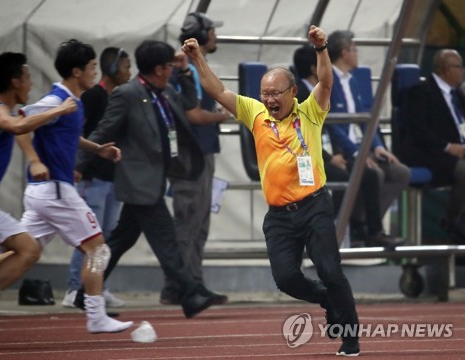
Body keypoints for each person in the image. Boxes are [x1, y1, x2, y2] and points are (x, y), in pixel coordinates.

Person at [183, 25, 360, 356]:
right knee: (286, 279)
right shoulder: (256, 113)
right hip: (279, 215)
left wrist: (321, 49)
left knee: (330, 270)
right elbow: (218, 91)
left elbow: (326, 82)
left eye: (276, 93)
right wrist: (197, 60)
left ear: (293, 92)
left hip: (314, 206)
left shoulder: (310, 112)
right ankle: (325, 299)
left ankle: (350, 337)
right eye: (265, 93)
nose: (269, 99)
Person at [73, 39, 216, 319]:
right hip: (138, 182)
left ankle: (83, 293)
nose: (173, 69)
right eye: (170, 66)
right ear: (159, 69)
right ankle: (189, 293)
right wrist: (79, 165)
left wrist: (187, 73)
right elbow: (102, 132)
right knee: (167, 240)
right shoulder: (128, 94)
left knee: (116, 244)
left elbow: (190, 103)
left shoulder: (165, 92)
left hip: (156, 178)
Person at [15, 39, 133, 334]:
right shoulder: (58, 101)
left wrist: (97, 149)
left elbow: (68, 136)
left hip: (48, 191)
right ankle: (95, 314)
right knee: (98, 249)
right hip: (55, 188)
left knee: (22, 252)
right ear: (77, 71)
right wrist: (34, 160)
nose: (96, 72)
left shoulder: (74, 101)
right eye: (92, 67)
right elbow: (20, 123)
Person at [0, 52, 77, 331]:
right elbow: (16, 126)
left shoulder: (10, 112)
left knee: (28, 249)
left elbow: (23, 128)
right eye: (27, 78)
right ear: (15, 82)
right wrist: (60, 110)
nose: (30, 84)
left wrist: (37, 159)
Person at [294, 45, 395, 248]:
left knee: (368, 174)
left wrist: (338, 154)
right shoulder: (299, 94)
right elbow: (299, 137)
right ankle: (334, 231)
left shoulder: (320, 92)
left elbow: (332, 129)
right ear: (315, 69)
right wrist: (330, 159)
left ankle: (371, 231)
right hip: (303, 159)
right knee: (344, 178)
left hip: (326, 154)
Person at [160, 12, 230, 306]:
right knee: (187, 221)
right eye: (212, 31)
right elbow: (189, 114)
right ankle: (177, 286)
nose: (216, 36)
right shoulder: (181, 67)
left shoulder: (197, 64)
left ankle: (194, 282)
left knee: (199, 222)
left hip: (202, 152)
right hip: (189, 156)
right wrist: (222, 116)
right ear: (201, 35)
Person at [325, 30, 410, 247]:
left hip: (362, 146)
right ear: (345, 52)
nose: (357, 54)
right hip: (345, 150)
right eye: (354, 50)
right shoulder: (329, 82)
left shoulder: (351, 81)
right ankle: (372, 230)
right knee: (373, 174)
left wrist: (378, 146)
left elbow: (365, 120)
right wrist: (357, 153)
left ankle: (363, 221)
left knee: (400, 172)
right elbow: (334, 127)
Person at [61, 47, 131, 309]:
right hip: (92, 177)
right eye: (126, 66)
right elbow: (78, 133)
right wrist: (78, 166)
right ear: (112, 69)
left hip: (112, 177)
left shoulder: (120, 96)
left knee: (106, 238)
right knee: (89, 235)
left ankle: (98, 287)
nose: (130, 71)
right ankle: (73, 287)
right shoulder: (93, 96)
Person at [403, 49, 465, 243]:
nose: (463, 71)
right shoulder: (421, 92)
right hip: (431, 153)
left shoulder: (459, 96)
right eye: (459, 67)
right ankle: (452, 221)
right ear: (446, 69)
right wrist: (448, 147)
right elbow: (419, 131)